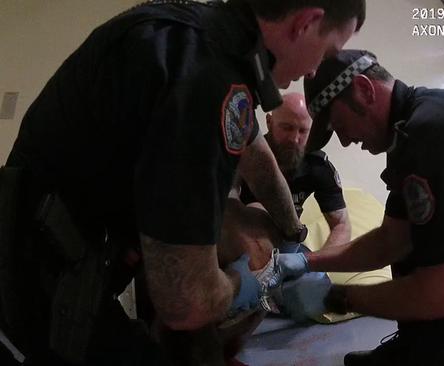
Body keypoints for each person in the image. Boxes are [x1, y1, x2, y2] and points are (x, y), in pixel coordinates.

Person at [0, 0, 365, 364]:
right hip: (36, 276)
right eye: (327, 51)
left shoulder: (202, 37)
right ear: (305, 24)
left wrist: (293, 234)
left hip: (58, 254)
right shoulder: (205, 77)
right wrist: (251, 283)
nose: (315, 69)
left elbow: (258, 161)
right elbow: (186, 302)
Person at [272, 50, 444, 366]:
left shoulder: (432, 133)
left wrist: (335, 297)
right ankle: (416, 347)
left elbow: (439, 295)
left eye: (338, 123)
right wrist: (307, 261)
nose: (345, 141)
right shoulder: (412, 129)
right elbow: (391, 240)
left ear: (364, 90)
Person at [239, 93, 351, 249]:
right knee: (256, 210)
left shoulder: (317, 165)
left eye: (303, 131)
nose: (294, 139)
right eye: (287, 128)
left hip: (289, 243)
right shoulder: (245, 156)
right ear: (269, 122)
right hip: (243, 244)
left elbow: (341, 224)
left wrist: (315, 263)